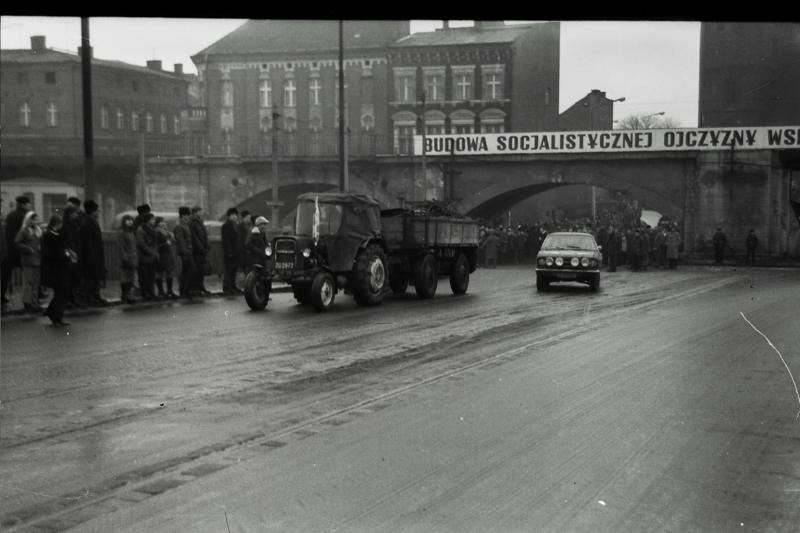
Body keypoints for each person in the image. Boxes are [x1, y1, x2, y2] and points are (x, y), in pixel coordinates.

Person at [40, 214, 73, 326]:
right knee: (60, 294)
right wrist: (67, 255)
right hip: (57, 269)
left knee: (60, 293)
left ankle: (52, 313)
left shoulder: (49, 235)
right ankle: (57, 317)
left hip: (53, 269)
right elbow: (57, 254)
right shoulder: (52, 236)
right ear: (58, 224)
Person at [1, 196, 31, 306]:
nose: (29, 205)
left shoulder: (10, 215)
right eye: (28, 203)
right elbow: (24, 233)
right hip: (20, 249)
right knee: (30, 274)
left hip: (9, 249)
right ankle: (33, 297)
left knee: (5, 275)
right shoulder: (24, 216)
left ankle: (2, 296)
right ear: (23, 205)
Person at [79, 200, 107, 305]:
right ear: (92, 211)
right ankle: (90, 297)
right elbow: (87, 242)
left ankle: (96, 295)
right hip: (91, 256)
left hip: (96, 255)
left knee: (96, 276)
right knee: (90, 278)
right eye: (97, 210)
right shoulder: (86, 223)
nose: (99, 212)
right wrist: (91, 256)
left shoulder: (92, 221)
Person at [14, 210, 44, 311]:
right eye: (34, 220)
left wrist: (40, 246)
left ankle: (34, 302)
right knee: (28, 282)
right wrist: (28, 249)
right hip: (28, 260)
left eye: (37, 220)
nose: (36, 222)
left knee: (36, 283)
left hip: (37, 260)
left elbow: (40, 242)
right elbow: (17, 243)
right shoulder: (24, 230)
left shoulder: (38, 231)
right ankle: (27, 302)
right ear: (29, 220)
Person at [61, 205, 83, 307]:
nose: (77, 215)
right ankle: (67, 299)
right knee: (70, 277)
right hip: (68, 254)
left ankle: (71, 297)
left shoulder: (74, 223)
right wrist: (68, 249)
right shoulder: (64, 224)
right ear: (70, 214)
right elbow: (61, 240)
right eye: (75, 213)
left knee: (75, 276)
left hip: (75, 253)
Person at [136, 212, 159, 300]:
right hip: (144, 257)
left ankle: (151, 292)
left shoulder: (153, 229)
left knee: (151, 276)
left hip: (152, 256)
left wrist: (154, 251)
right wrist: (150, 251)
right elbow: (140, 243)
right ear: (147, 220)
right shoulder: (141, 230)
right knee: (144, 276)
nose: (154, 220)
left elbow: (156, 242)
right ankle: (145, 293)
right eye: (152, 219)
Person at [189, 206, 211, 296]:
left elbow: (205, 235)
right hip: (197, 250)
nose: (201, 213)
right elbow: (194, 237)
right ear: (195, 213)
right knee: (197, 269)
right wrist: (201, 247)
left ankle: (201, 286)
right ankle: (196, 287)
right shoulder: (192, 223)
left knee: (201, 269)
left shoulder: (200, 221)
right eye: (199, 211)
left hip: (203, 249)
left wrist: (207, 245)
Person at [155, 217, 178, 299]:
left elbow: (170, 236)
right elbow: (156, 245)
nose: (163, 223)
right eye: (161, 222)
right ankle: (161, 290)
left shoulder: (165, 231)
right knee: (160, 272)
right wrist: (166, 244)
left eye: (164, 221)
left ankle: (170, 290)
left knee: (170, 271)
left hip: (168, 254)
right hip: (161, 254)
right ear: (157, 223)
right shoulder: (157, 232)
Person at [117, 214, 138, 304]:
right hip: (126, 258)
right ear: (124, 222)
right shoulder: (122, 232)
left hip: (133, 257)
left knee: (130, 276)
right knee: (125, 276)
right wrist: (124, 259)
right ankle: (125, 294)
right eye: (128, 220)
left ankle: (129, 293)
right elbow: (120, 246)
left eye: (131, 220)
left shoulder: (132, 232)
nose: (130, 222)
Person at [174, 207, 195, 297]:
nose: (188, 217)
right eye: (187, 215)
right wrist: (184, 252)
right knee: (191, 268)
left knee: (186, 270)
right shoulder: (180, 226)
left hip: (188, 250)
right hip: (185, 251)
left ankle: (184, 289)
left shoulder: (185, 225)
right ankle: (187, 289)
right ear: (183, 215)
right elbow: (180, 240)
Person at [222, 207, 242, 295]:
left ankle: (233, 285)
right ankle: (227, 287)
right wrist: (229, 252)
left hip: (236, 251)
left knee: (234, 269)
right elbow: (226, 240)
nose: (235, 217)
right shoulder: (226, 226)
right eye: (233, 215)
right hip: (230, 252)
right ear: (229, 216)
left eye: (235, 215)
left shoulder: (235, 225)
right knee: (229, 269)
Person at [237, 209, 252, 275]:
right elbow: (239, 238)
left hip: (249, 248)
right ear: (244, 218)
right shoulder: (240, 226)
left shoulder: (250, 225)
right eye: (248, 217)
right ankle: (247, 275)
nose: (250, 218)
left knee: (249, 263)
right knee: (245, 263)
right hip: (243, 248)